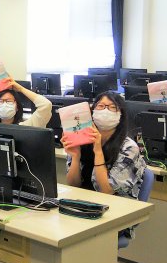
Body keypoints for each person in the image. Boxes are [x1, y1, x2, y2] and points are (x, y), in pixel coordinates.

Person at [63, 92, 146, 236]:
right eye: (100, 106)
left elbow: (106, 191)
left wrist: (98, 152)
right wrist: (76, 157)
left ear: (121, 115)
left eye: (112, 108)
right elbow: (73, 185)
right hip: (83, 205)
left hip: (114, 212)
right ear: (92, 111)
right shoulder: (82, 140)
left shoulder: (129, 147)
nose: (105, 111)